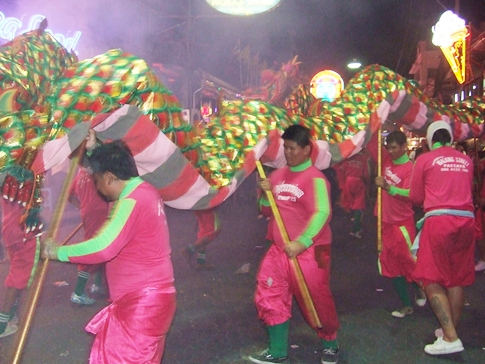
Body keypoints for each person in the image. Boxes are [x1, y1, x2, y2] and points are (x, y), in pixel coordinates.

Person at [43, 140, 176, 363]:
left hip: (142, 304)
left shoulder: (133, 200)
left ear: (109, 178)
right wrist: (95, 149)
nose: (97, 188)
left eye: (96, 181)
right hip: (147, 301)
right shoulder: (144, 191)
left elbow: (103, 247)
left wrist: (57, 252)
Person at [249, 124, 340, 364]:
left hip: (312, 250)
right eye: (285, 148)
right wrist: (264, 195)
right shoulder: (276, 176)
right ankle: (277, 350)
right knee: (269, 294)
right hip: (279, 249)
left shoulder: (316, 179)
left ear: (306, 149)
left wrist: (303, 241)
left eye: (292, 148)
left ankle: (330, 342)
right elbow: (266, 211)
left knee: (316, 298)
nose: (287, 153)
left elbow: (322, 212)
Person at [409, 121, 475, 355]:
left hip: (439, 221)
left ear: (430, 140)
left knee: (430, 278)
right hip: (467, 220)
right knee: (456, 278)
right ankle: (450, 331)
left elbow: (415, 196)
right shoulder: (466, 160)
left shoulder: (425, 159)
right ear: (449, 138)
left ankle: (450, 337)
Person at [367, 131, 426, 318]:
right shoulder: (385, 159)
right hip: (384, 222)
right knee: (391, 265)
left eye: (394, 147)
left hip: (402, 224)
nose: (390, 151)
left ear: (404, 147)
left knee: (410, 262)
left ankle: (420, 288)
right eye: (388, 147)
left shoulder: (411, 168)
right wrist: (375, 120)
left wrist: (388, 187)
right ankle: (406, 304)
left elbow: (412, 195)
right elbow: (370, 143)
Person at [68, 165, 110, 305]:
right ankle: (78, 291)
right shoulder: (96, 171)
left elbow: (70, 195)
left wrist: (84, 207)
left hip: (89, 212)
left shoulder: (81, 173)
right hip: (98, 212)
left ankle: (97, 284)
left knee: (101, 246)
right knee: (94, 248)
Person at [0, 197, 41, 338]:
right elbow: (35, 202)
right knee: (19, 274)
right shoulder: (33, 174)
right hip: (24, 229)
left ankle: (9, 315)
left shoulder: (6, 174)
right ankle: (2, 324)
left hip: (9, 227)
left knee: (16, 270)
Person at [338, 151, 370, 238]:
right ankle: (355, 230)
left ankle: (353, 217)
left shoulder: (347, 157)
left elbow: (341, 170)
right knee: (359, 206)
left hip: (348, 182)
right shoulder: (363, 158)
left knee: (351, 202)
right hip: (358, 182)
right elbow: (366, 174)